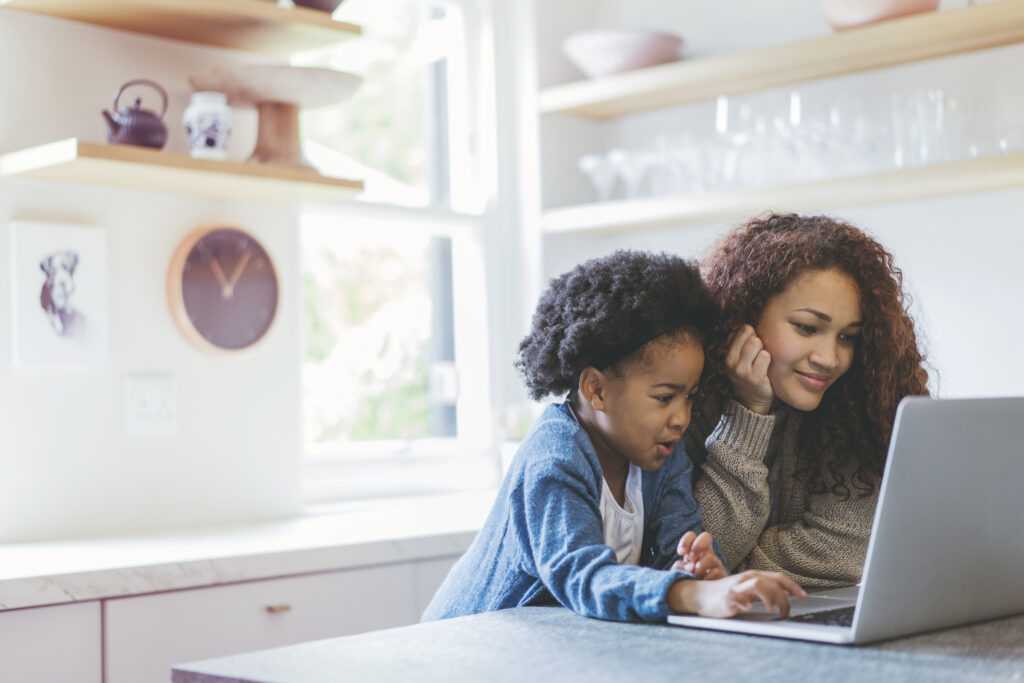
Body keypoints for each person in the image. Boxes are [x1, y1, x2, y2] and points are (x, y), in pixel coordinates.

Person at [423, 250, 805, 623]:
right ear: (597, 390)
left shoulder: (661, 454)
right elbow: (583, 577)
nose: (681, 417)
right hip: (463, 648)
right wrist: (691, 595)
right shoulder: (553, 459)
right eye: (664, 397)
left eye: (689, 397)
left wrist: (700, 569)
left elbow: (676, 549)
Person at [684, 213, 930, 590]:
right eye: (807, 328)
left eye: (847, 337)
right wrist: (748, 415)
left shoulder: (854, 407)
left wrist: (731, 570)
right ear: (745, 314)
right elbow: (690, 555)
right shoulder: (681, 406)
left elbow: (850, 549)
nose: (830, 359)